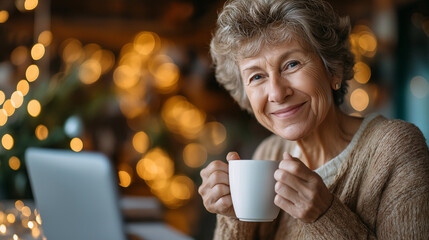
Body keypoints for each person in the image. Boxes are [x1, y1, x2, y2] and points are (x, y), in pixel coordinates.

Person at [197, 0, 429, 239]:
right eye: (257, 76)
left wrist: (325, 215)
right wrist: (232, 214)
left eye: (291, 64)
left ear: (334, 69)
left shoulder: (395, 148)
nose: (277, 93)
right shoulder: (269, 153)